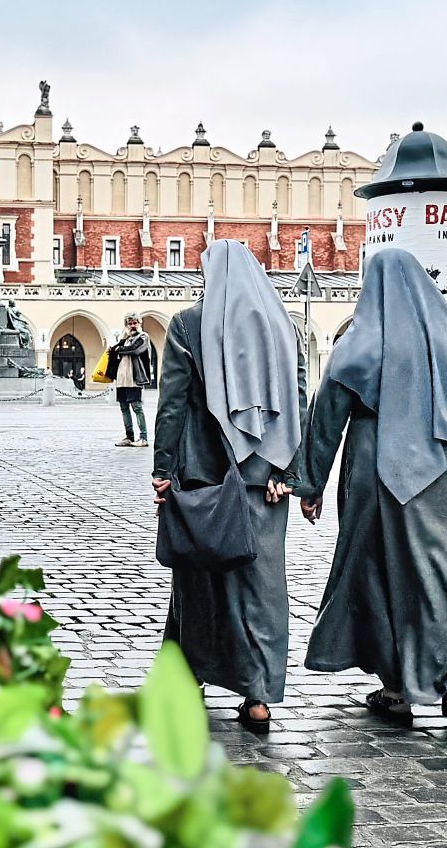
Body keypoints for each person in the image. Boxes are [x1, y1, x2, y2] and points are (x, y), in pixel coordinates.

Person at [299, 248, 447, 720]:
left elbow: (327, 415)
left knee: (376, 575)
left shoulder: (361, 340)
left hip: (376, 468)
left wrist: (310, 482)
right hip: (439, 468)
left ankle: (395, 689)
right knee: (443, 567)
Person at [152, 240, 305, 733]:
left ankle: (188, 679)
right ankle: (258, 698)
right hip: (267, 481)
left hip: (205, 478)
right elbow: (299, 399)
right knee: (262, 589)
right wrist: (290, 470)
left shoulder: (187, 324)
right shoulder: (284, 325)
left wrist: (162, 468)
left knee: (199, 585)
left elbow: (173, 403)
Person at [111, 312, 152, 447]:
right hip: (122, 379)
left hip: (134, 378)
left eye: (135, 323)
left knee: (137, 407)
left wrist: (118, 349)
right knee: (124, 407)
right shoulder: (125, 339)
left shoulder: (143, 336)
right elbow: (115, 350)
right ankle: (129, 436)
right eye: (130, 323)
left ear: (139, 323)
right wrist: (116, 349)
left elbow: (135, 349)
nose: (132, 326)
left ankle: (143, 437)